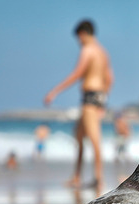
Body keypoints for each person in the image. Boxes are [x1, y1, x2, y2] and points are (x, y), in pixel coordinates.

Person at [44, 20, 113, 191]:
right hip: (98, 96)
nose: (79, 41)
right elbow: (110, 78)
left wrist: (55, 91)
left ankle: (98, 179)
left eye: (78, 38)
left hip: (90, 97)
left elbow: (77, 74)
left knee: (94, 138)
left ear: (83, 33)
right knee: (79, 135)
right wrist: (103, 101)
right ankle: (76, 177)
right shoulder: (103, 52)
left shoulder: (88, 50)